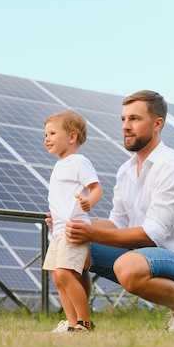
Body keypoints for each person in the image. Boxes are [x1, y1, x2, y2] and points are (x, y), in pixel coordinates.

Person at [45, 90, 174, 332]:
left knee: (128, 266)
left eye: (134, 119)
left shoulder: (171, 168)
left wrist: (90, 233)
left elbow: (150, 236)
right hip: (138, 256)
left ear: (158, 124)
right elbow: (117, 224)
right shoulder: (126, 171)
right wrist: (74, 222)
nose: (126, 126)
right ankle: (80, 325)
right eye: (123, 119)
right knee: (72, 249)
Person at [43, 110, 103, 333]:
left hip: (73, 228)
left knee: (66, 273)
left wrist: (89, 202)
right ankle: (70, 324)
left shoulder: (78, 161)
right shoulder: (59, 165)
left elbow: (96, 188)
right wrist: (54, 218)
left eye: (52, 133)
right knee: (58, 277)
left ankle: (84, 321)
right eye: (45, 134)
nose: (46, 138)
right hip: (58, 229)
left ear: (71, 137)